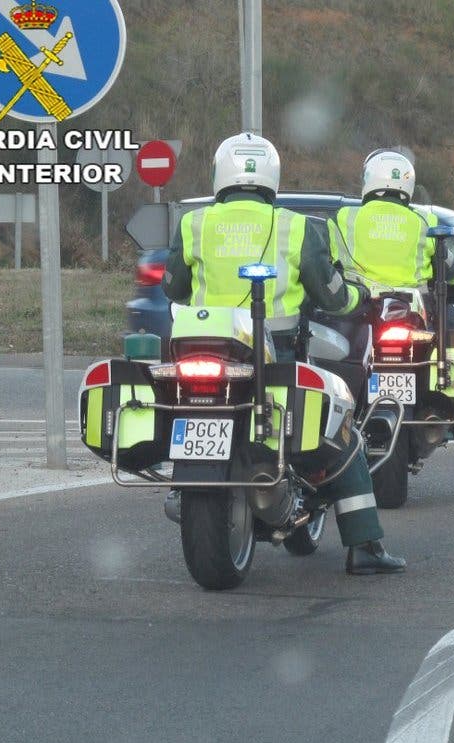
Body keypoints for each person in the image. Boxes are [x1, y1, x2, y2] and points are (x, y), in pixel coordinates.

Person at [162, 132, 405, 575]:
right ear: (272, 176)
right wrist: (358, 300)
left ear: (220, 175)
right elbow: (331, 296)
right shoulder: (297, 227)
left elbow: (172, 287)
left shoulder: (193, 224)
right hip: (277, 357)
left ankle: (185, 483)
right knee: (343, 437)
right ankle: (365, 546)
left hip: (200, 352)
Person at [332, 149, 454, 501]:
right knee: (453, 391)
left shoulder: (345, 219)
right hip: (415, 322)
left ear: (368, 182)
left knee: (341, 391)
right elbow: (451, 270)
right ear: (407, 185)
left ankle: (335, 470)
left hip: (364, 321)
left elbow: (328, 269)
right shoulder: (423, 221)